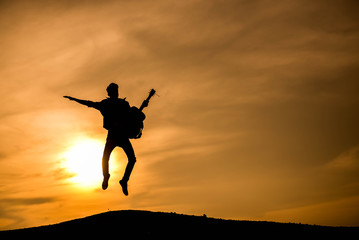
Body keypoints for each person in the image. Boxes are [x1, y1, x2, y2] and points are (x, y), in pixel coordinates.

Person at [64, 83, 136, 196]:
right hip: (115, 135)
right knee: (110, 158)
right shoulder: (112, 104)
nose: (115, 93)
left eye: (116, 91)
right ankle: (108, 177)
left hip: (119, 135)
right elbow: (89, 103)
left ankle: (122, 180)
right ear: (110, 92)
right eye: (114, 91)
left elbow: (133, 116)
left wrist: (74, 99)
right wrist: (74, 99)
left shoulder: (121, 104)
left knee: (128, 159)